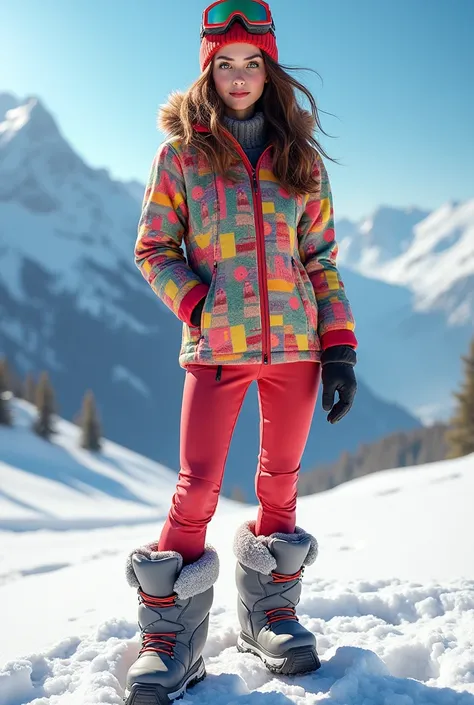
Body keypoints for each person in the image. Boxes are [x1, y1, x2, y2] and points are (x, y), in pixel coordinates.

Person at [124, 1, 358, 702]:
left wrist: (339, 345)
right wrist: (199, 304)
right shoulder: (182, 158)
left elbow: (321, 258)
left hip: (297, 346)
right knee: (195, 486)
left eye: (250, 62)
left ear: (269, 68)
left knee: (278, 483)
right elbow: (153, 249)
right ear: (207, 69)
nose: (238, 76)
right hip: (216, 349)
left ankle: (269, 614)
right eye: (224, 63)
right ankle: (169, 640)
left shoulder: (301, 161)